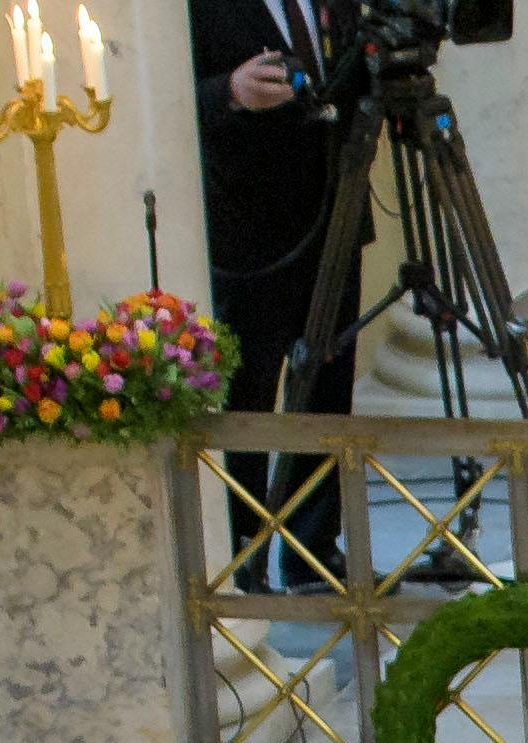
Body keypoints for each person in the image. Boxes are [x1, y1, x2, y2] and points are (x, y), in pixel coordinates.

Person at [187, 0, 361, 592]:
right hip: (248, 231)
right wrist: (230, 91)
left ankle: (313, 549)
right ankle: (246, 548)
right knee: (250, 387)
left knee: (328, 383)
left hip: (334, 212)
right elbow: (167, 100)